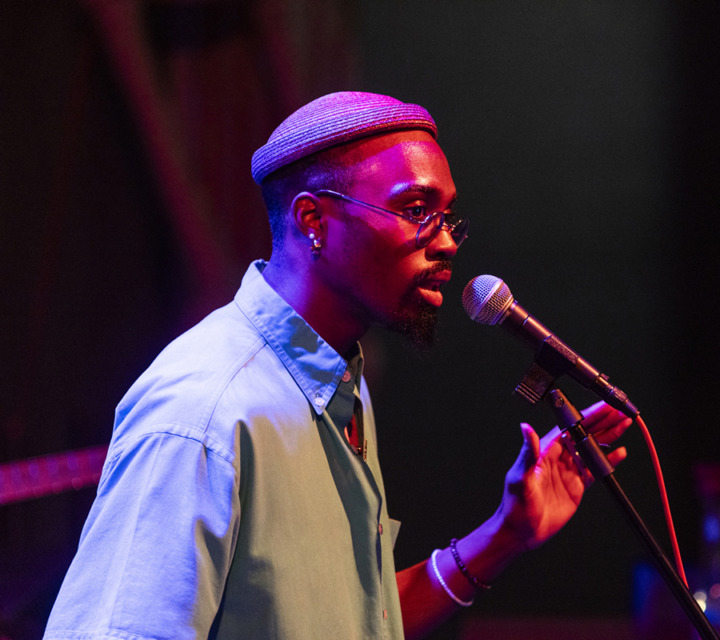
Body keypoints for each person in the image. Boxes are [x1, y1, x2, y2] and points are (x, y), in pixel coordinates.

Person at [43, 91, 631, 639]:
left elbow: (349, 620)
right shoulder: (206, 411)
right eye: (416, 209)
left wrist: (504, 537)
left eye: (446, 216)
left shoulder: (338, 375)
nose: (448, 242)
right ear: (313, 222)